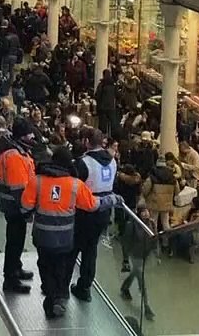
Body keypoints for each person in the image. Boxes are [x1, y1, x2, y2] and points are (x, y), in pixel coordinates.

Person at [21, 145, 98, 319]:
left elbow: (25, 206)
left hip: (42, 236)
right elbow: (92, 205)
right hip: (64, 238)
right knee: (61, 266)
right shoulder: (76, 184)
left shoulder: (37, 180)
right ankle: (58, 297)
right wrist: (112, 199)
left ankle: (50, 294)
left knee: (44, 264)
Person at [71, 126, 117, 301]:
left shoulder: (83, 163)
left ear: (86, 142)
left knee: (72, 248)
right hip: (104, 211)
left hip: (84, 211)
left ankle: (61, 287)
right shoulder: (113, 161)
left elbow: (73, 186)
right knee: (91, 250)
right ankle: (85, 287)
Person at [0, 119, 37, 294]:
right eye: (29, 134)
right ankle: (10, 278)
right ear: (22, 136)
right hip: (15, 207)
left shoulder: (18, 151)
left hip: (14, 206)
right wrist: (27, 209)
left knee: (17, 240)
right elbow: (19, 188)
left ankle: (16, 267)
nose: (33, 137)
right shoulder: (14, 156)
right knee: (14, 242)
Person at [119, 205, 157, 321]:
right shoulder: (132, 225)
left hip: (144, 255)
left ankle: (125, 287)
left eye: (147, 211)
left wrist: (156, 254)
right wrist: (125, 259)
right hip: (135, 255)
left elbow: (154, 239)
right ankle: (146, 306)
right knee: (141, 280)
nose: (146, 214)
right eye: (143, 212)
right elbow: (125, 242)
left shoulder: (151, 223)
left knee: (135, 273)